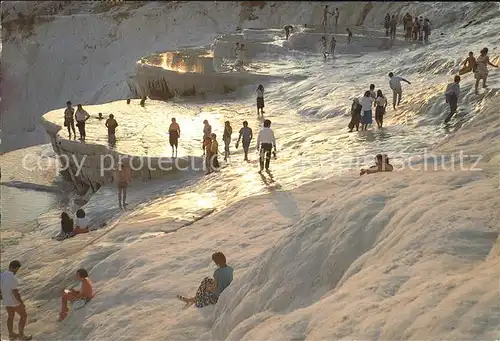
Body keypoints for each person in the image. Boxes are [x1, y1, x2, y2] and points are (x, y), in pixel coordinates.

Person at [1, 261, 32, 340]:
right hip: (14, 301)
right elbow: (15, 292)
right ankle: (21, 336)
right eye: (17, 269)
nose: (16, 271)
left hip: (6, 301)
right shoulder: (12, 277)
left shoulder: (2, 275)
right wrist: (21, 302)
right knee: (24, 316)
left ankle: (11, 335)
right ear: (15, 268)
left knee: (10, 317)